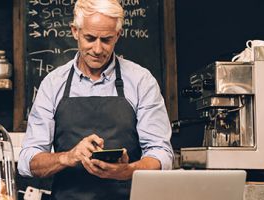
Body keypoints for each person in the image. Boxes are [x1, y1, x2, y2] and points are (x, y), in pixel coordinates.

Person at [17, 0, 174, 199]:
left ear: (117, 35)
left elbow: (161, 153)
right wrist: (68, 156)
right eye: (90, 38)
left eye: (106, 39)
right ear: (75, 31)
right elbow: (28, 160)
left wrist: (127, 171)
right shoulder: (53, 84)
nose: (98, 49)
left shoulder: (141, 81)